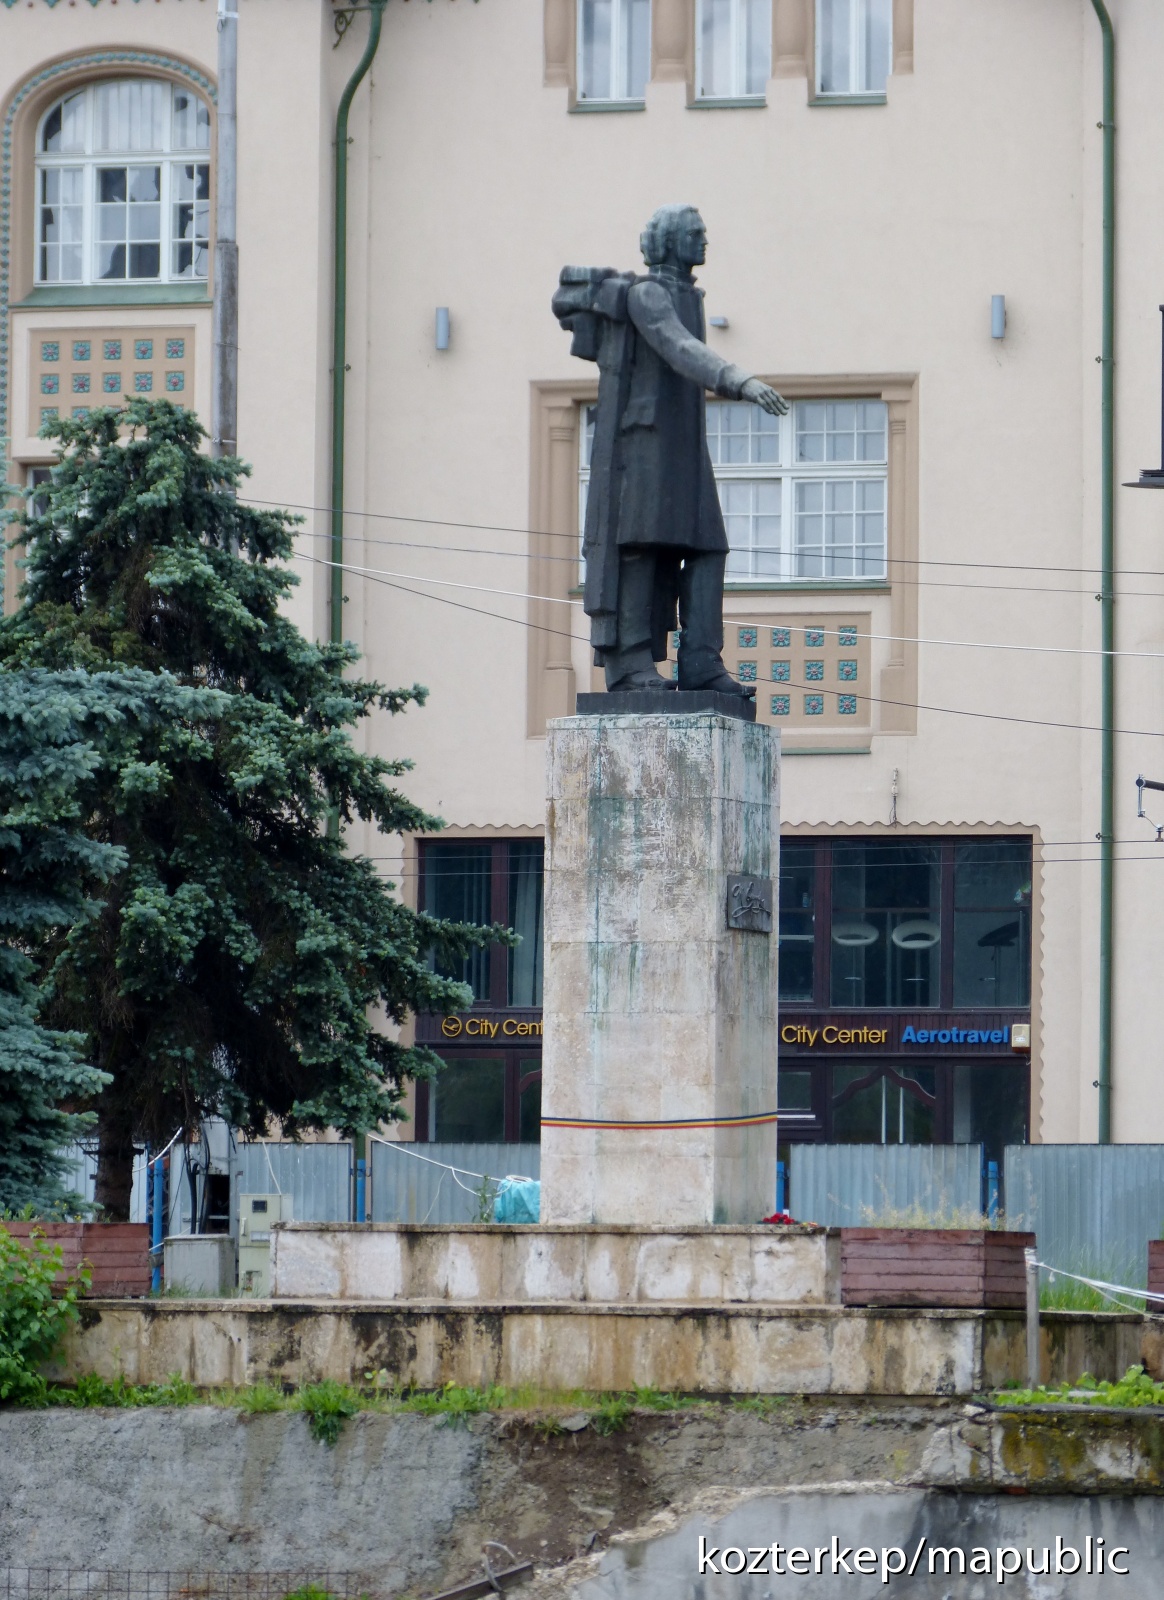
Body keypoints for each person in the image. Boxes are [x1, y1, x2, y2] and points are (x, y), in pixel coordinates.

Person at [553, 204, 787, 695]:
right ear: (669, 240)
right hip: (646, 441)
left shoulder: (688, 294)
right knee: (642, 548)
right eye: (695, 233)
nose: (704, 241)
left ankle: (701, 662)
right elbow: (678, 345)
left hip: (683, 443)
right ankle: (631, 665)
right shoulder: (648, 293)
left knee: (708, 547)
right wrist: (739, 380)